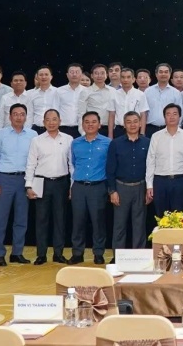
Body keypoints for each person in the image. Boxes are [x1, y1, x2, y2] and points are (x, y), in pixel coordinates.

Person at [0, 104, 35, 265]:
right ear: (9, 117)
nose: (18, 117)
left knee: (21, 219)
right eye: (15, 114)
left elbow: (34, 159)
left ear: (26, 117)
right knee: (1, 219)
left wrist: (31, 183)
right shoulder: (0, 134)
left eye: (22, 114)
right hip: (4, 179)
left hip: (24, 179)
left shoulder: (33, 134)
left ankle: (17, 252)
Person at [26, 109, 73, 264]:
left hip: (61, 183)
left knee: (60, 220)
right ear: (43, 122)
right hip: (41, 183)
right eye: (48, 119)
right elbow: (31, 164)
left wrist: (72, 185)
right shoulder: (37, 140)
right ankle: (41, 254)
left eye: (54, 119)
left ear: (60, 121)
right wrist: (28, 185)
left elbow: (72, 164)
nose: (51, 122)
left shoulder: (68, 139)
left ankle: (58, 253)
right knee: (41, 220)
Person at [68, 112, 112, 264]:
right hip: (79, 187)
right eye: (87, 122)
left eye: (94, 122)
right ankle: (77, 253)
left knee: (98, 222)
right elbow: (73, 163)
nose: (90, 124)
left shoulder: (107, 143)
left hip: (98, 187)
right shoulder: (75, 143)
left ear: (100, 124)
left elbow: (110, 165)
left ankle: (98, 253)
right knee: (77, 221)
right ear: (82, 124)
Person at [107, 111, 150, 249]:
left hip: (140, 187)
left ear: (140, 123)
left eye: (135, 121)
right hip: (121, 188)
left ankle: (139, 255)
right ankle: (118, 255)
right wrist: (112, 191)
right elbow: (110, 169)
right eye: (129, 122)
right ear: (124, 125)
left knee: (139, 225)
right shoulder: (115, 143)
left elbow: (151, 167)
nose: (132, 125)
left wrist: (149, 189)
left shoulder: (147, 143)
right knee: (119, 224)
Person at [146, 104, 183, 218]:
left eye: (175, 114)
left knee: (179, 219)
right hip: (160, 182)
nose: (171, 117)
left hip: (180, 181)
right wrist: (149, 185)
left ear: (180, 117)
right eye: (168, 114)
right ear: (164, 117)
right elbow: (150, 161)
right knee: (161, 218)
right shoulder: (156, 136)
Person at [111, 68, 149, 140]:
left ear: (133, 79)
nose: (125, 80)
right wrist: (110, 135)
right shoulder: (114, 94)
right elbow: (111, 114)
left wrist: (142, 132)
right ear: (120, 79)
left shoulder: (140, 94)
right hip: (119, 129)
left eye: (128, 77)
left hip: (136, 129)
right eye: (123, 77)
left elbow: (143, 114)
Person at [144, 64, 183, 133]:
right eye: (161, 72)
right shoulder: (148, 91)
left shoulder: (176, 92)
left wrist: (177, 129)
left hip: (169, 128)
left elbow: (180, 112)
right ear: (156, 74)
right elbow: (144, 112)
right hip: (150, 128)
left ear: (170, 74)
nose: (163, 74)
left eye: (166, 72)